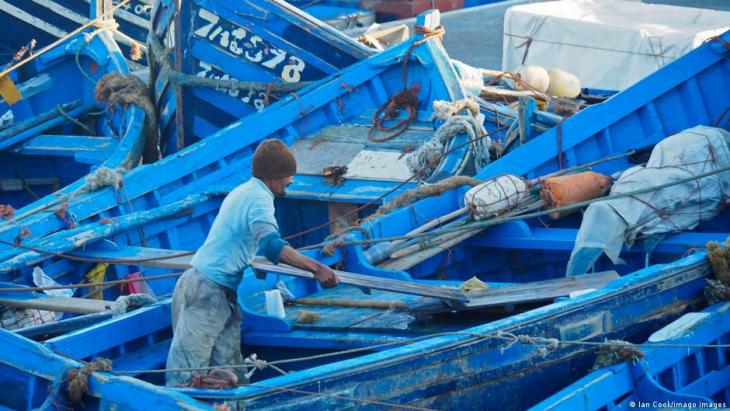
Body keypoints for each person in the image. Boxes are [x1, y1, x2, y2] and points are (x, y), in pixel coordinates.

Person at [165, 139, 339, 386]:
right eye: (288, 176)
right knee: (184, 379)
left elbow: (239, 240)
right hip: (205, 293)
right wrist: (317, 268)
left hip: (220, 293)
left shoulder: (243, 190)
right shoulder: (259, 199)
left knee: (231, 377)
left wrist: (248, 259)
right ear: (273, 176)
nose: (291, 181)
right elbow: (271, 244)